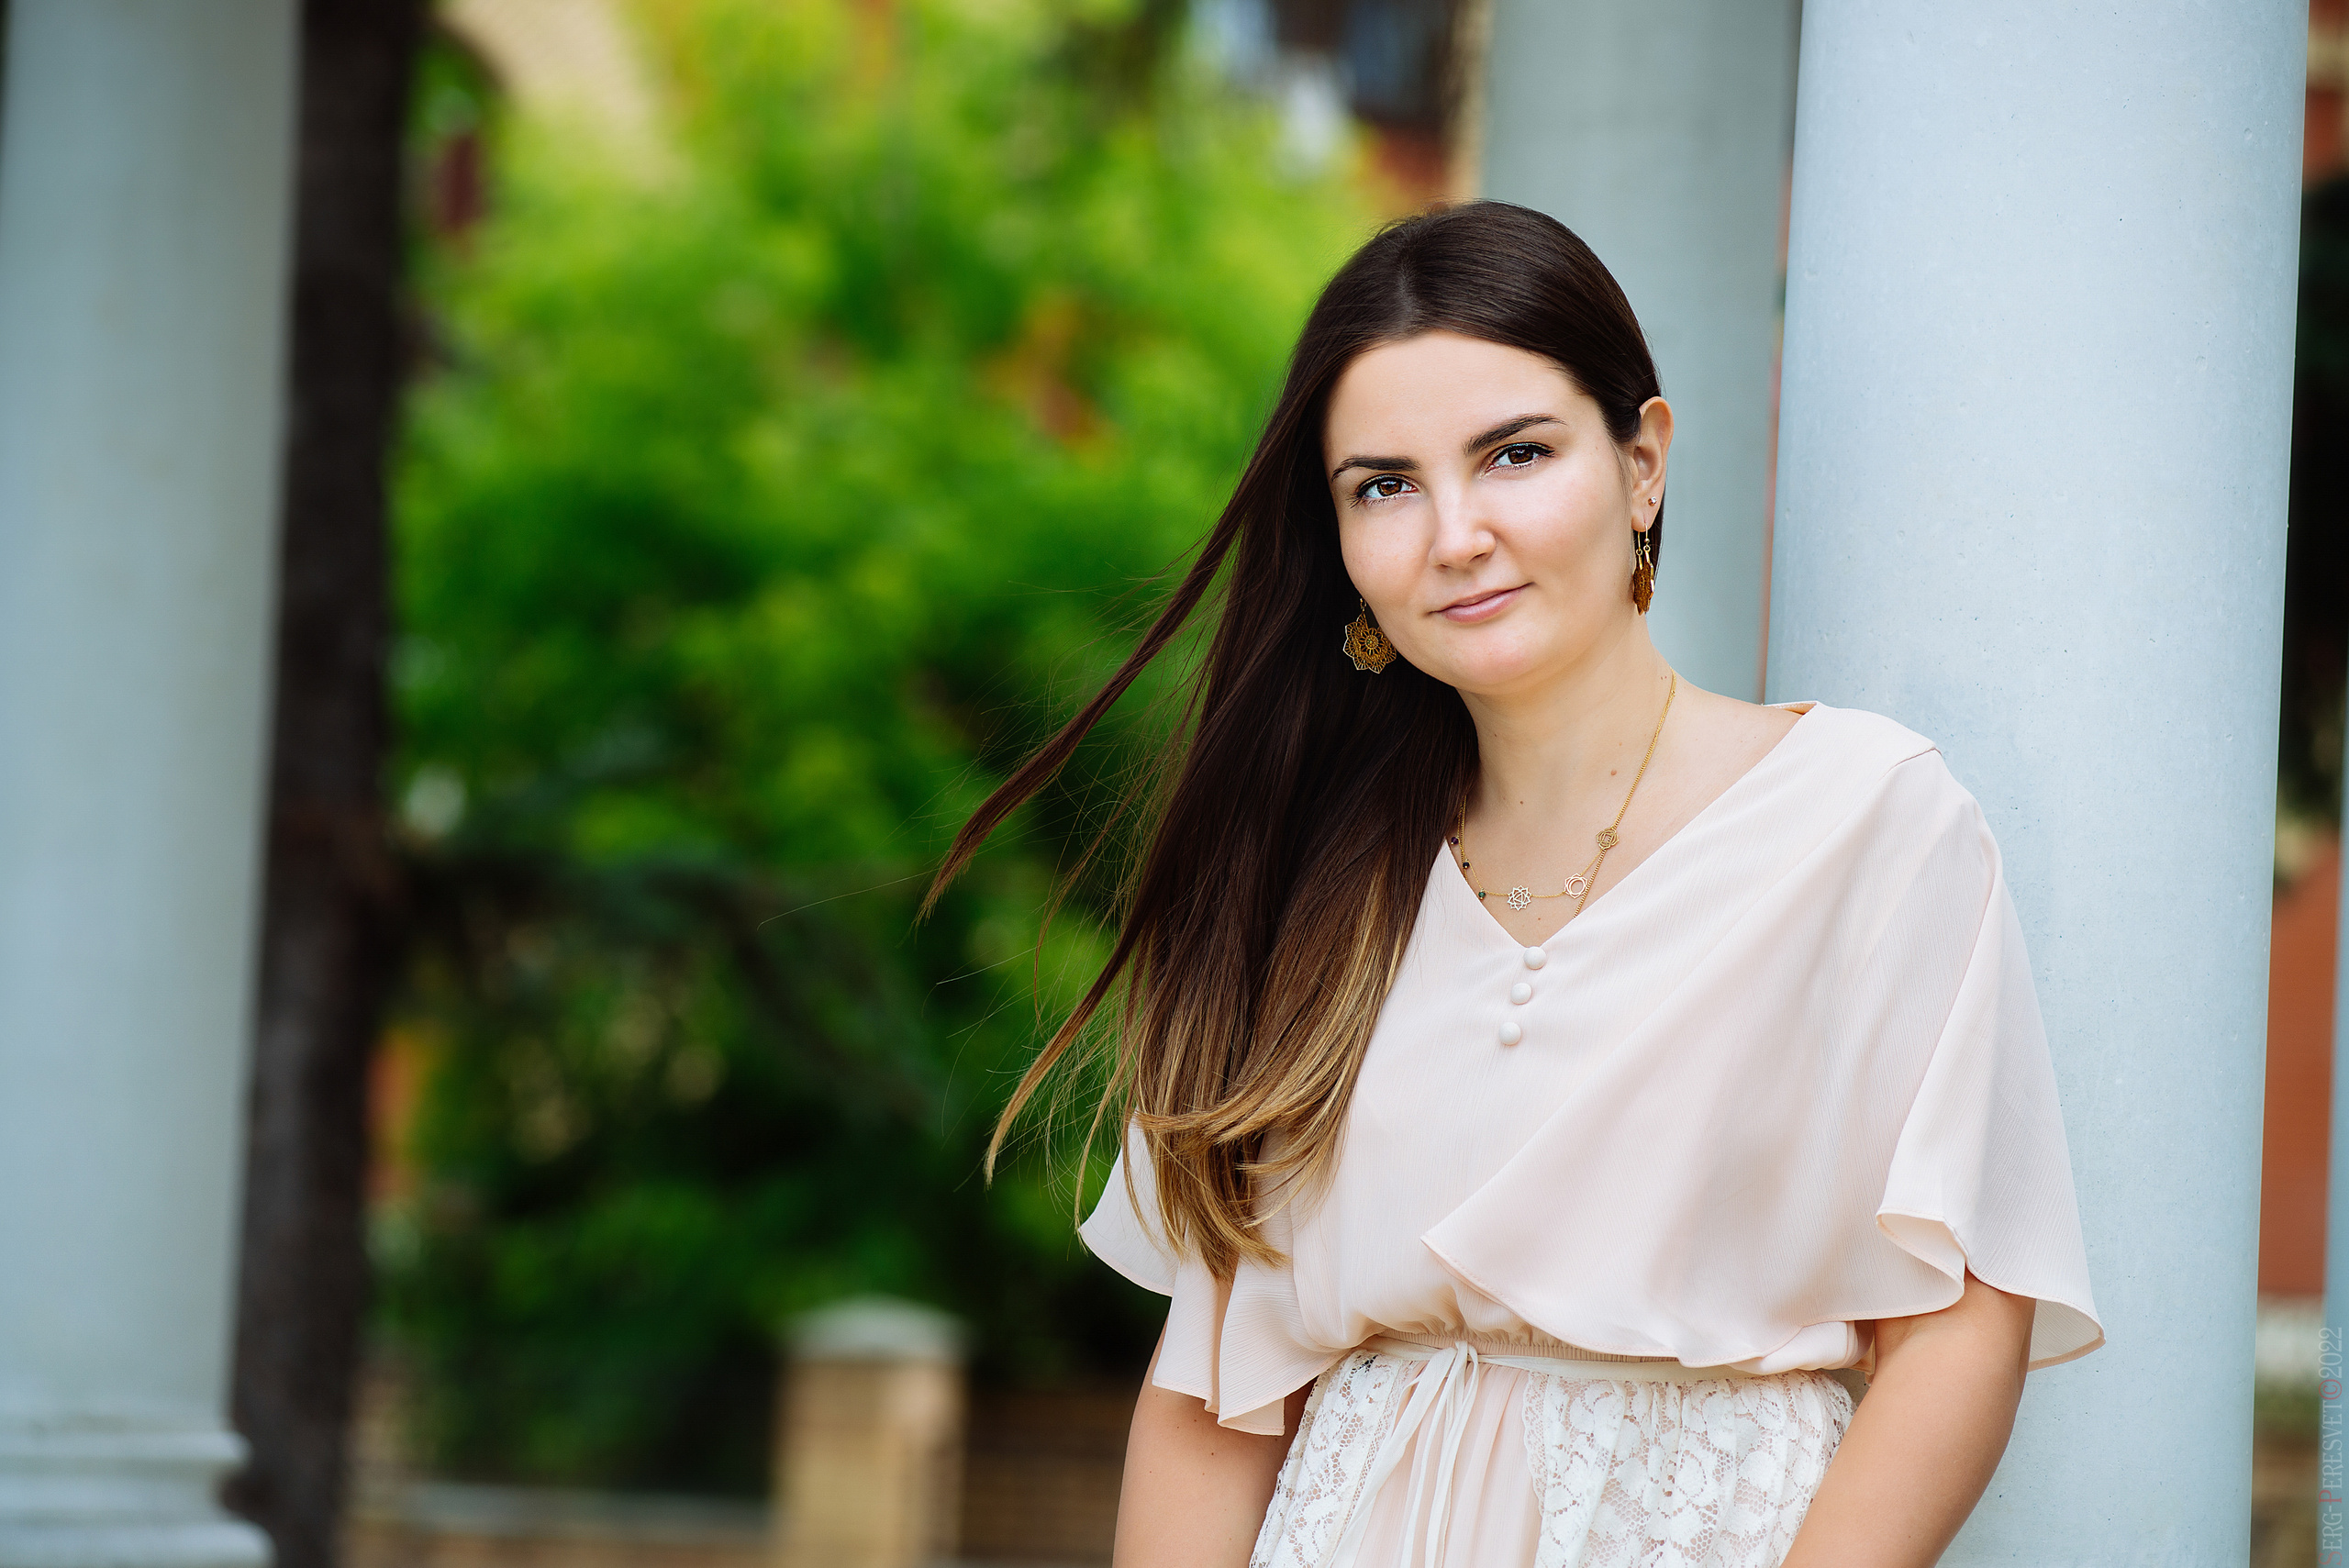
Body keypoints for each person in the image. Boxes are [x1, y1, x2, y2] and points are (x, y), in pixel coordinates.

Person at [926, 201, 2102, 1568]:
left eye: (1515, 454)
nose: (1456, 534)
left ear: (1642, 464)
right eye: (1384, 486)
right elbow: (1212, 1394)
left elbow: (1958, 1323)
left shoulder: (1865, 819)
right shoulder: (1310, 880)